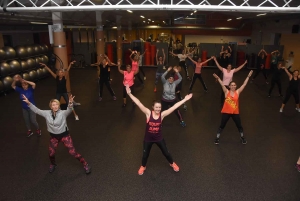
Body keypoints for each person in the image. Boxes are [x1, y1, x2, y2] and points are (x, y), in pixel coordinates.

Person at [125, 85, 193, 175]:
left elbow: (174, 107)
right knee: (145, 155)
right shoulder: (148, 113)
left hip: (159, 138)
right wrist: (129, 94)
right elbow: (138, 103)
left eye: (159, 107)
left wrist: (184, 100)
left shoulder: (163, 114)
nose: (158, 109)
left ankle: (172, 163)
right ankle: (143, 166)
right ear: (153, 107)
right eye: (156, 107)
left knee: (166, 153)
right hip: (148, 139)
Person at [22, 94, 91, 174]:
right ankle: (53, 164)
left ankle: (86, 164)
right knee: (51, 154)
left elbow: (69, 109)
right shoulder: (46, 113)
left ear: (58, 105)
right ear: (51, 106)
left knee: (73, 152)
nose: (55, 106)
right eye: (53, 105)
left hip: (64, 136)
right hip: (54, 137)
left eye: (56, 104)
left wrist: (71, 103)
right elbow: (37, 110)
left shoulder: (63, 113)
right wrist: (28, 103)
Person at [213, 70, 253, 145]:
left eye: (234, 85)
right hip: (226, 112)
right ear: (229, 86)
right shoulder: (226, 92)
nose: (233, 86)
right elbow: (222, 84)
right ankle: (217, 138)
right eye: (232, 85)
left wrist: (248, 76)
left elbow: (244, 85)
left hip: (235, 113)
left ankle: (242, 137)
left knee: (239, 126)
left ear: (236, 86)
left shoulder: (237, 92)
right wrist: (218, 78)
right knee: (222, 125)